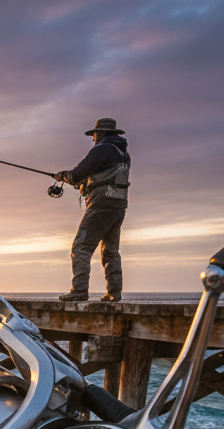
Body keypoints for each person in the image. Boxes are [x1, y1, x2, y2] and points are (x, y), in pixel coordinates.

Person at [54, 118, 131, 302]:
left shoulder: (102, 149)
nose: (93, 138)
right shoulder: (123, 153)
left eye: (94, 134)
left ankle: (79, 290)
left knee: (81, 246)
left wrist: (64, 176)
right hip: (118, 205)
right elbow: (104, 176)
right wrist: (83, 184)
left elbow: (77, 174)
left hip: (100, 204)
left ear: (102, 133)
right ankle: (114, 292)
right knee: (110, 250)